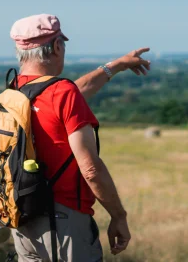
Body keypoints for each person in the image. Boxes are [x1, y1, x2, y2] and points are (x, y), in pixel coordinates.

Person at [9, 14, 151, 261]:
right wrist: (119, 216)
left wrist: (115, 65)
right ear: (56, 46)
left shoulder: (14, 92)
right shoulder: (62, 95)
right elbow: (90, 169)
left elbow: (73, 91)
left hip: (21, 219)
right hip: (64, 222)